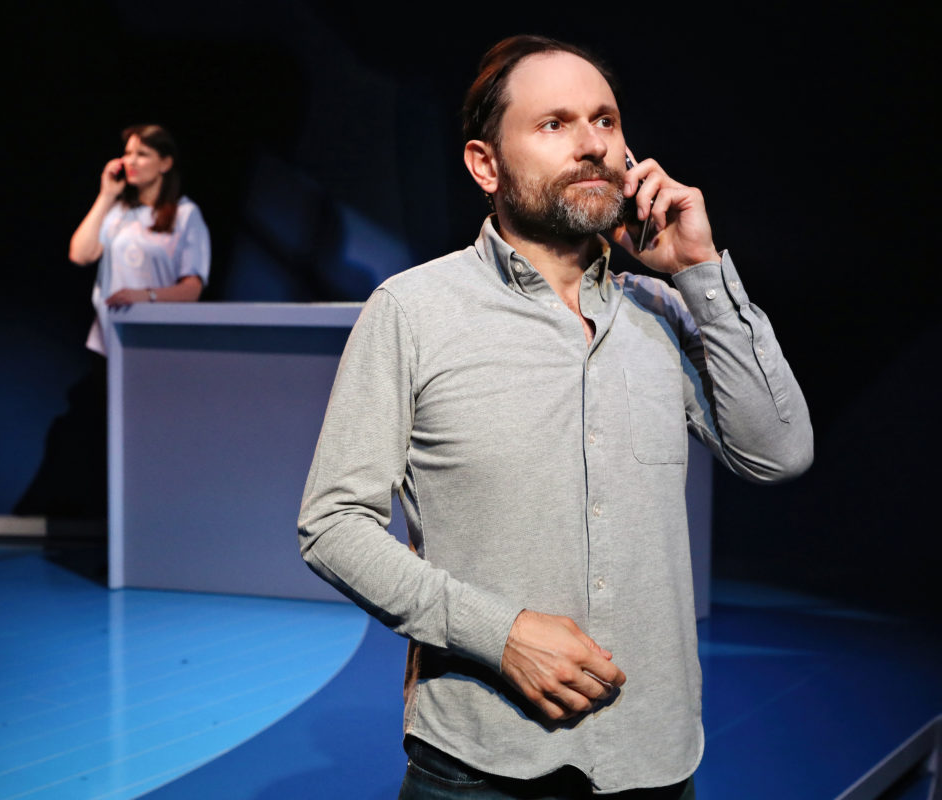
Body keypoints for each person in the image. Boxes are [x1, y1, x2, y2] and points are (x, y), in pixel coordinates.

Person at [298, 35, 813, 799]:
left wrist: (701, 271)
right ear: (485, 165)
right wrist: (498, 634)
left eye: (605, 120)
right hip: (481, 766)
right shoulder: (413, 310)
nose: (593, 144)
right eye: (554, 124)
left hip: (653, 761)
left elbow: (780, 451)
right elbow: (332, 525)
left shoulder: (664, 310)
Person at [69, 123, 210, 354]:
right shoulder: (118, 211)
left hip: (153, 345)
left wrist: (145, 296)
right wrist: (106, 195)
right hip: (106, 342)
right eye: (128, 153)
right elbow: (80, 255)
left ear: (165, 163)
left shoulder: (185, 214)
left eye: (142, 154)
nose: (131, 161)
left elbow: (192, 290)